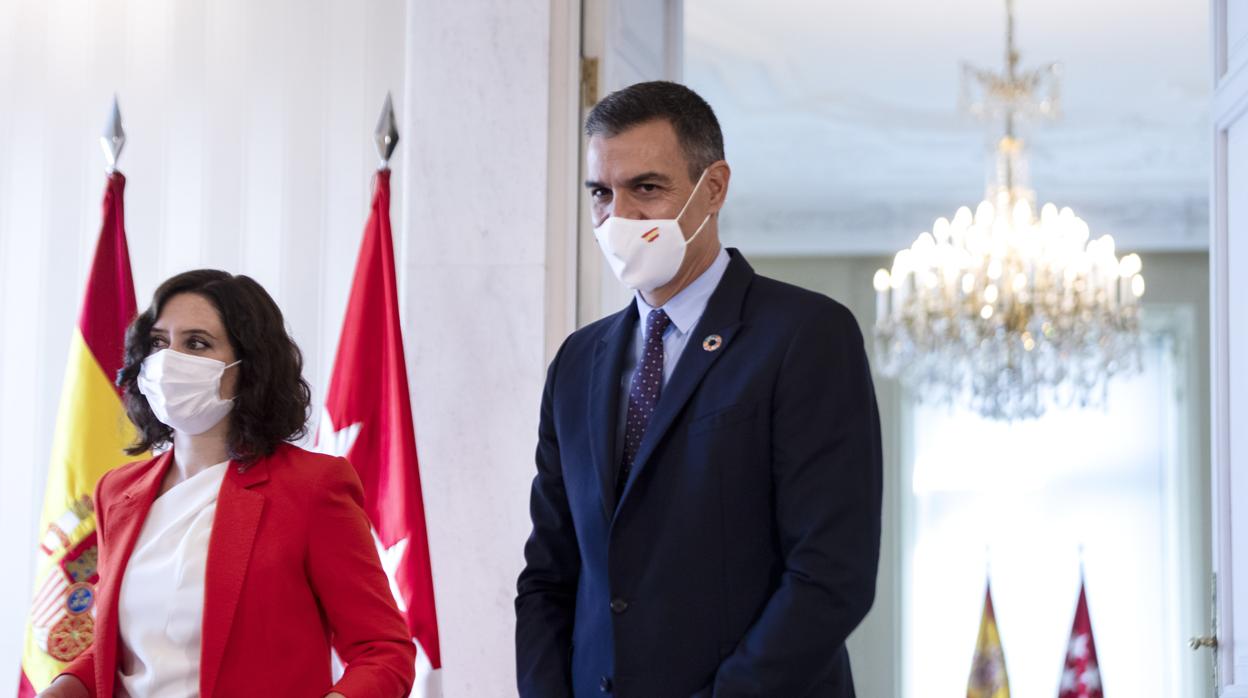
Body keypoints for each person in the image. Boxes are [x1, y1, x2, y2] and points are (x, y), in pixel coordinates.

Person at [515, 81, 883, 697]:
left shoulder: (805, 336)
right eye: (602, 194)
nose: (619, 218)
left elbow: (830, 574)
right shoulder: (577, 363)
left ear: (712, 189)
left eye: (647, 189)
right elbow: (550, 575)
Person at [38, 270, 415, 698]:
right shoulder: (116, 492)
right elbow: (127, 650)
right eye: (159, 342)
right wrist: (64, 686)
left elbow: (384, 651)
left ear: (249, 367)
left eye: (196, 343)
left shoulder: (312, 487)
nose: (169, 360)